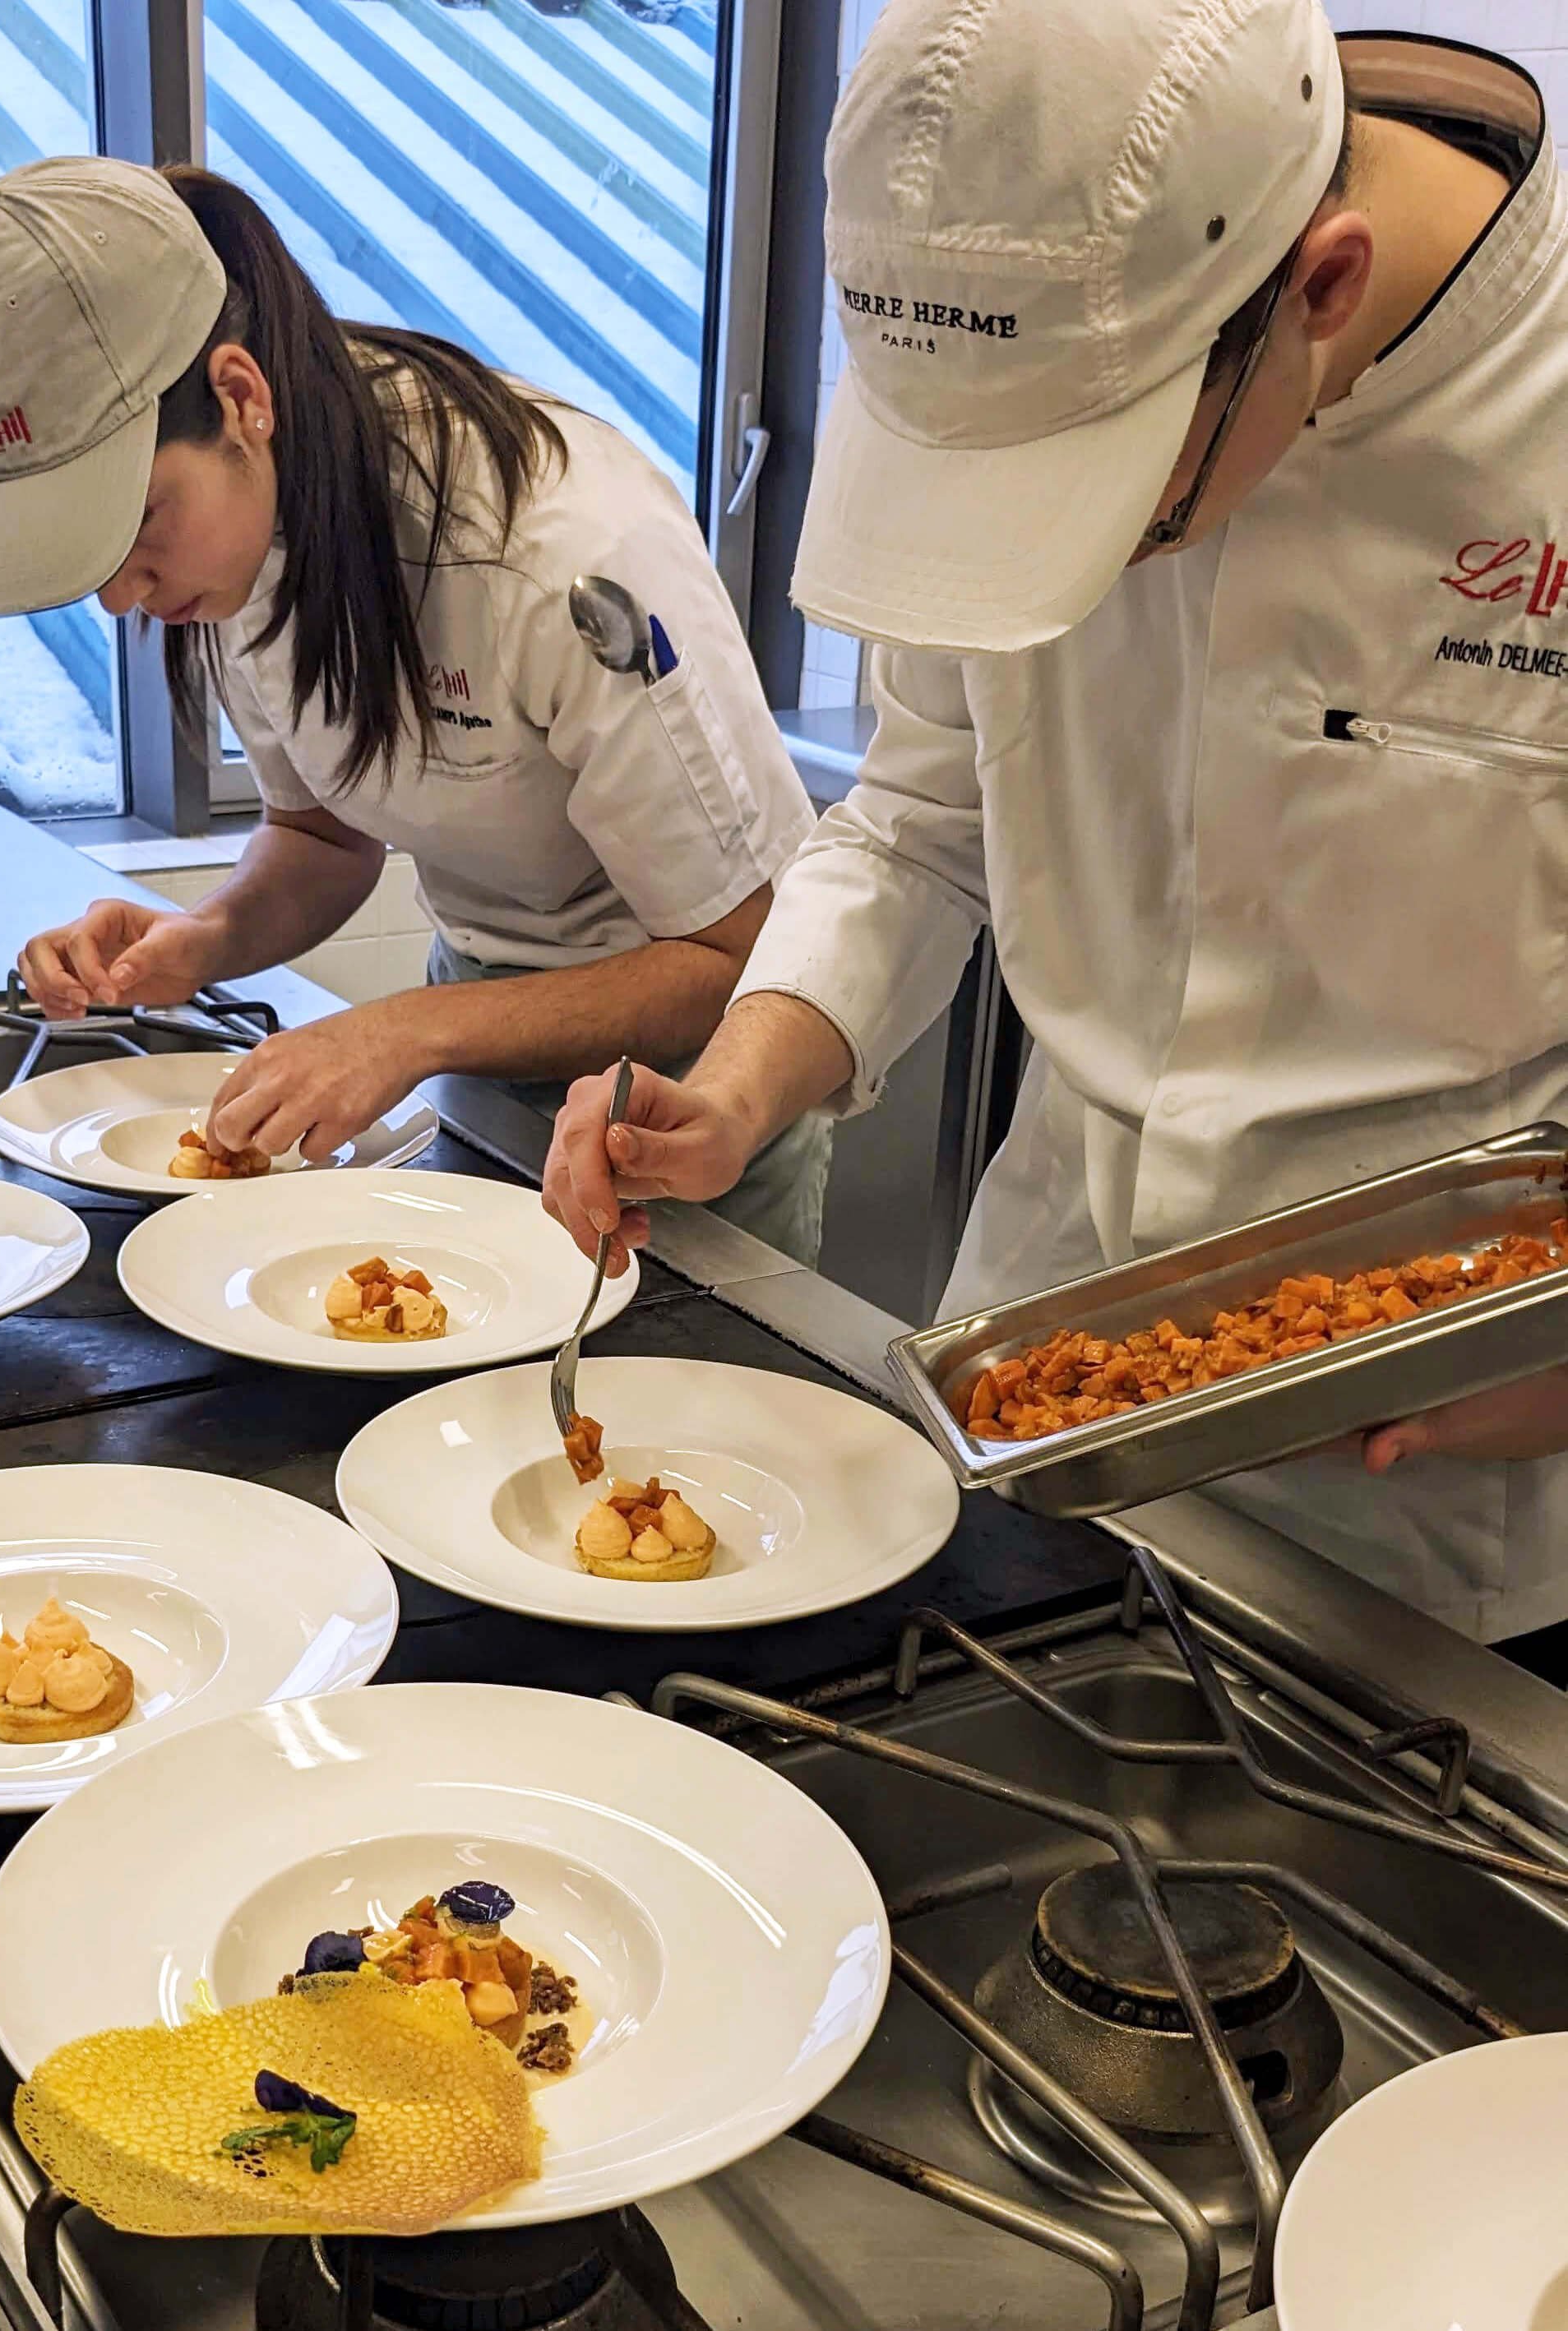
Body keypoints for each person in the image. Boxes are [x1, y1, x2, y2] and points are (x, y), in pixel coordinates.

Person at [544, 0, 1568, 1664]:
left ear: (1320, 288)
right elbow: (919, 818)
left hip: (1437, 1499)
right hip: (1038, 1379)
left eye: (1113, 501)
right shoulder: (1008, 343)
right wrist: (742, 1085)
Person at [0, 159, 830, 1263]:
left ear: (242, 399)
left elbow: (740, 951)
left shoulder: (558, 553)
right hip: (487, 1073)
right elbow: (322, 835)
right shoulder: (236, 537)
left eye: (136, 522)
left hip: (685, 1113)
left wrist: (403, 1031)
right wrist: (198, 943)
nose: (118, 594)